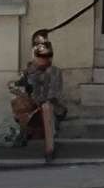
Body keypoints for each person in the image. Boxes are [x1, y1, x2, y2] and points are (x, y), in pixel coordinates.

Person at [8, 33, 64, 162]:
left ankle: (49, 150)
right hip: (33, 109)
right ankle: (23, 135)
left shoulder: (54, 72)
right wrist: (17, 88)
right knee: (17, 102)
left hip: (51, 109)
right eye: (40, 56)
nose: (43, 59)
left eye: (46, 56)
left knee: (46, 107)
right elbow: (17, 85)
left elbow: (52, 96)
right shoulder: (29, 71)